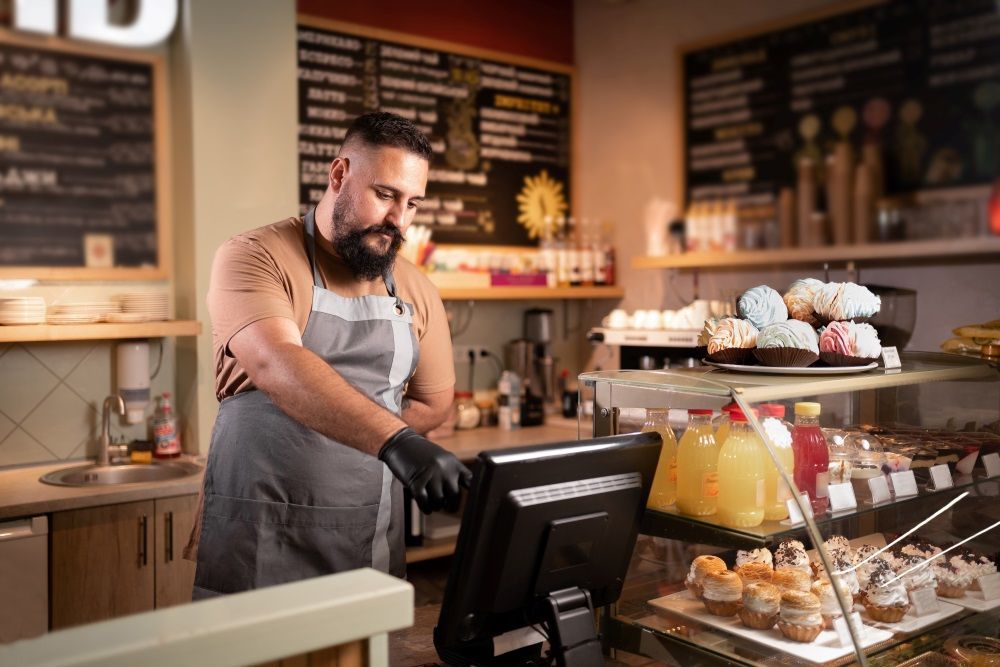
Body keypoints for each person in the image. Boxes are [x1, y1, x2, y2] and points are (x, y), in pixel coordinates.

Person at [187, 111, 469, 599]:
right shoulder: (255, 255)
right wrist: (394, 441)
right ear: (339, 175)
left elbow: (434, 402)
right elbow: (275, 361)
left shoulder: (418, 289)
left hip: (366, 533)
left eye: (412, 204)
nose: (398, 221)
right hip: (258, 530)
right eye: (385, 195)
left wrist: (347, 437)